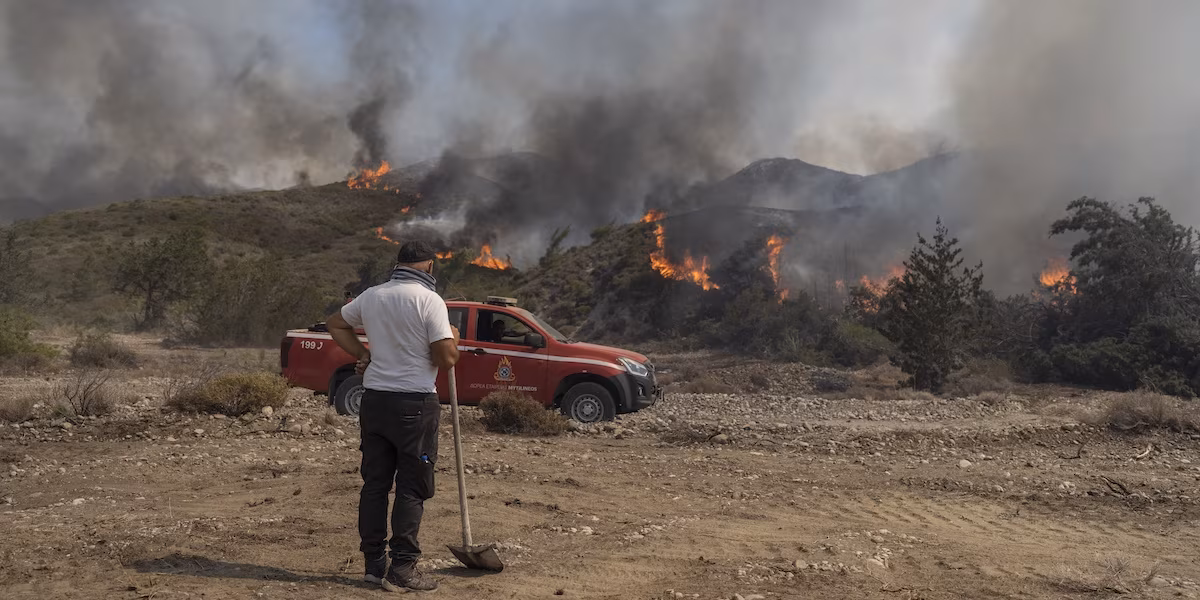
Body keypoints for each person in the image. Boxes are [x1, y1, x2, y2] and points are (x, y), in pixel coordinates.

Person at [325, 240, 460, 593]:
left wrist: (363, 354)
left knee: (375, 485)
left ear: (398, 264)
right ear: (429, 266)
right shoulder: (429, 300)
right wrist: (454, 338)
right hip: (414, 403)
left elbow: (335, 323)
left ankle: (374, 566)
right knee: (412, 487)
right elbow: (446, 359)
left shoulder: (372, 296)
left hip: (374, 402)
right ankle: (402, 567)